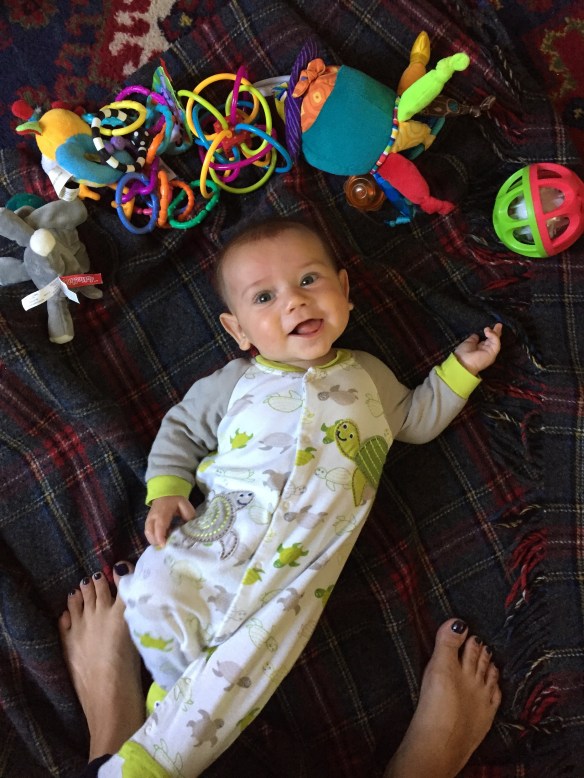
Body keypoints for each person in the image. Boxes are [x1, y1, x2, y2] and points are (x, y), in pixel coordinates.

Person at [59, 218, 503, 776]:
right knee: (151, 589)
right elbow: (181, 430)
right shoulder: (234, 381)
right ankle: (172, 694)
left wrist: (461, 370)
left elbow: (416, 418)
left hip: (301, 566)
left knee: (248, 664)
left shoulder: (369, 377)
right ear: (239, 329)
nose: (294, 301)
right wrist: (166, 493)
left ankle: (160, 747)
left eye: (310, 280)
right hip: (221, 533)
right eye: (265, 297)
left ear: (344, 290)